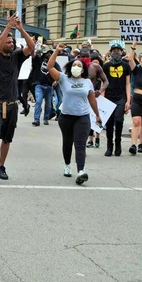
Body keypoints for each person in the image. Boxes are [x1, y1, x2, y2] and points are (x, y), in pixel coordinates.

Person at [0, 14, 35, 185]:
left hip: (12, 103)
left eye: (12, 42)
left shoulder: (17, 57)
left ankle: (1, 166)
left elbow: (31, 46)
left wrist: (20, 28)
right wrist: (7, 27)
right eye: (8, 41)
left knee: (7, 137)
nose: (11, 44)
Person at [47, 44, 101, 184]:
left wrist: (97, 114)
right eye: (74, 65)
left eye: (79, 66)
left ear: (83, 69)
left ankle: (81, 171)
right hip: (66, 116)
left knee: (80, 144)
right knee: (67, 142)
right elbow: (50, 67)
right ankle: (67, 165)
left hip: (82, 116)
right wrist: (57, 51)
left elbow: (92, 99)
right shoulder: (64, 78)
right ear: (71, 67)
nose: (77, 67)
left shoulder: (87, 82)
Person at [102, 42, 131, 156]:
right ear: (110, 52)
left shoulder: (126, 66)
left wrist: (128, 101)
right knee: (109, 123)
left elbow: (128, 84)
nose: (116, 53)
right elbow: (104, 83)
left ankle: (118, 143)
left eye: (118, 51)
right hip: (109, 97)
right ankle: (110, 146)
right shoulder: (106, 66)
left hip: (121, 97)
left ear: (121, 52)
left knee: (119, 120)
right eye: (114, 51)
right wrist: (103, 98)